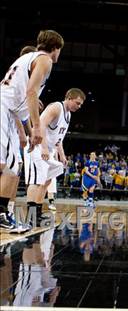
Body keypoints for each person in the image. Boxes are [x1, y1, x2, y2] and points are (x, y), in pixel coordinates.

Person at [0, 31, 64, 230]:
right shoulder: (45, 60)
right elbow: (31, 92)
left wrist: (28, 131)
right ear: (56, 48)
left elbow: (23, 105)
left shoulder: (26, 57)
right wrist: (37, 128)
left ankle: (3, 213)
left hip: (10, 112)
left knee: (12, 165)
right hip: (4, 109)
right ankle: (2, 215)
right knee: (10, 167)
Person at [24, 88, 85, 226]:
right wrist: (44, 147)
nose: (79, 106)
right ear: (69, 98)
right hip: (37, 144)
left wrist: (62, 155)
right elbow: (40, 125)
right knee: (36, 180)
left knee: (48, 178)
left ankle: (37, 213)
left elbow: (59, 138)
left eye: (81, 104)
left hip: (49, 148)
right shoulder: (56, 107)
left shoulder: (68, 115)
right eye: (77, 103)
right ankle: (30, 216)